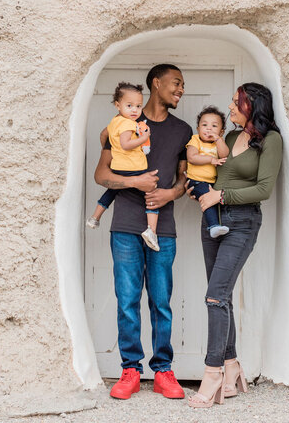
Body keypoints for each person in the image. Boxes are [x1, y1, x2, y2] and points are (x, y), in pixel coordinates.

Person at [94, 64, 192, 400]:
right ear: (156, 83)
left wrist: (170, 194)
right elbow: (101, 175)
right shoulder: (120, 124)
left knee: (161, 302)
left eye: (183, 85)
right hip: (124, 225)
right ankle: (130, 371)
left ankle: (163, 371)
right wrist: (135, 182)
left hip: (162, 228)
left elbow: (185, 178)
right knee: (127, 301)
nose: (180, 90)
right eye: (176, 83)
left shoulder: (182, 131)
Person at [187, 82, 283, 409]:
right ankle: (231, 366)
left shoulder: (270, 140)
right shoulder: (228, 138)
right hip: (212, 219)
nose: (229, 107)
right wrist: (201, 191)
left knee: (214, 297)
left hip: (243, 222)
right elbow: (214, 175)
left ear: (250, 106)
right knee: (221, 296)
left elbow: (264, 189)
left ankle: (212, 372)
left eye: (234, 102)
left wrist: (222, 195)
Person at [86, 81, 160, 251]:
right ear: (117, 105)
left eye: (138, 106)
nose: (135, 110)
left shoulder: (115, 121)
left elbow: (103, 135)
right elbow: (126, 144)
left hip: (119, 166)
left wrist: (111, 146)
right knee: (152, 193)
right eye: (129, 105)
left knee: (112, 191)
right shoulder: (129, 124)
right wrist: (144, 137)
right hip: (133, 167)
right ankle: (152, 231)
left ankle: (95, 218)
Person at [186, 106, 229, 238]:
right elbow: (192, 157)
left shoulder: (218, 143)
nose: (208, 129)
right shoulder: (195, 140)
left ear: (221, 132)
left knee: (214, 200)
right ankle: (213, 226)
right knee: (208, 197)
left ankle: (216, 225)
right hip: (196, 181)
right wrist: (211, 160)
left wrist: (219, 140)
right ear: (198, 128)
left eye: (214, 126)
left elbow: (224, 154)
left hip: (211, 182)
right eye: (204, 125)